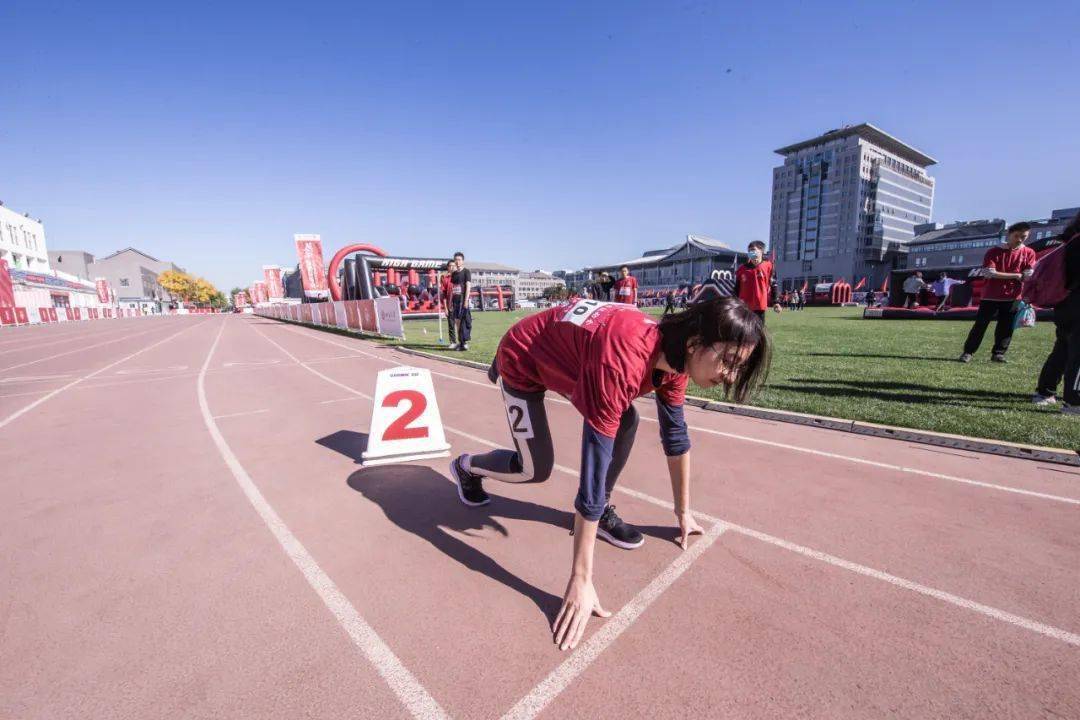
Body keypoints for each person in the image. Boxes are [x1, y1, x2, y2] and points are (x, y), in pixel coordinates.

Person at [449, 297, 770, 651]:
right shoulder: (623, 358)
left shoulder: (677, 361)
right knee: (534, 468)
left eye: (738, 367)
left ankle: (600, 514)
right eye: (728, 361)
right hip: (523, 358)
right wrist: (580, 580)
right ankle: (466, 467)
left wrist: (683, 512)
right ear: (695, 342)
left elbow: (675, 437)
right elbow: (593, 468)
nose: (730, 375)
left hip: (572, 361)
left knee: (627, 418)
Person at [959, 222, 1037, 363]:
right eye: (1016, 236)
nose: (1019, 239)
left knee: (1006, 328)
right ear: (1009, 234)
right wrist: (1015, 275)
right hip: (990, 296)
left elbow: (1028, 275)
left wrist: (1021, 277)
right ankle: (968, 352)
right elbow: (989, 273)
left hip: (1014, 297)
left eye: (1023, 237)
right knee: (980, 325)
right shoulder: (993, 251)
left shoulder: (1029, 253)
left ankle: (998, 354)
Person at [1034, 214, 1080, 413]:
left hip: (1066, 303)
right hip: (1077, 302)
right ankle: (1074, 401)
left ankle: (1044, 392)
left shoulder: (1072, 241)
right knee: (1076, 354)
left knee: (1062, 349)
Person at [734, 241, 782, 322]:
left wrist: (776, 302)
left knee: (758, 332)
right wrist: (734, 302)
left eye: (753, 250)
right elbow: (737, 288)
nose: (751, 253)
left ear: (761, 251)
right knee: (744, 332)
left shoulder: (768, 266)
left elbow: (774, 284)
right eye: (749, 251)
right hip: (743, 306)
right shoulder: (742, 269)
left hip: (759, 306)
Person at [450, 251, 473, 352]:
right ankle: (461, 342)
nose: (457, 262)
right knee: (457, 322)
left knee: (464, 321)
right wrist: (450, 301)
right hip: (455, 301)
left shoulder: (466, 272)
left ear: (463, 261)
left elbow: (468, 286)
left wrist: (466, 300)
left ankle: (464, 343)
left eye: (459, 260)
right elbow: (452, 289)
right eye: (456, 260)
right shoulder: (454, 274)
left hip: (463, 300)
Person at [440, 260, 457, 348]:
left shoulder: (460, 277)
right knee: (451, 324)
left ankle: (462, 342)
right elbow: (443, 295)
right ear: (448, 267)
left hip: (459, 305)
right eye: (450, 266)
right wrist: (445, 308)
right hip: (450, 305)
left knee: (461, 324)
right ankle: (453, 342)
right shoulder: (445, 278)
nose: (452, 267)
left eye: (454, 265)